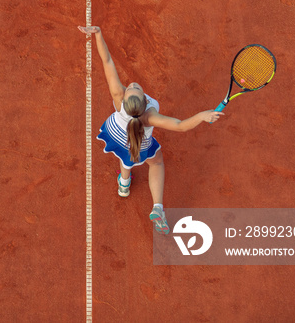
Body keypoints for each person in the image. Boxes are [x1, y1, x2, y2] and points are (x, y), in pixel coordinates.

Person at [78, 26, 223, 234]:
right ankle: (157, 208)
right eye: (133, 88)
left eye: (131, 88)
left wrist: (98, 34)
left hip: (116, 135)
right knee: (156, 161)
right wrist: (202, 116)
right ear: (144, 99)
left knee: (126, 154)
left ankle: (124, 184)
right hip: (136, 144)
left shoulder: (118, 97)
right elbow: (180, 126)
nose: (132, 84)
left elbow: (107, 61)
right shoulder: (150, 114)